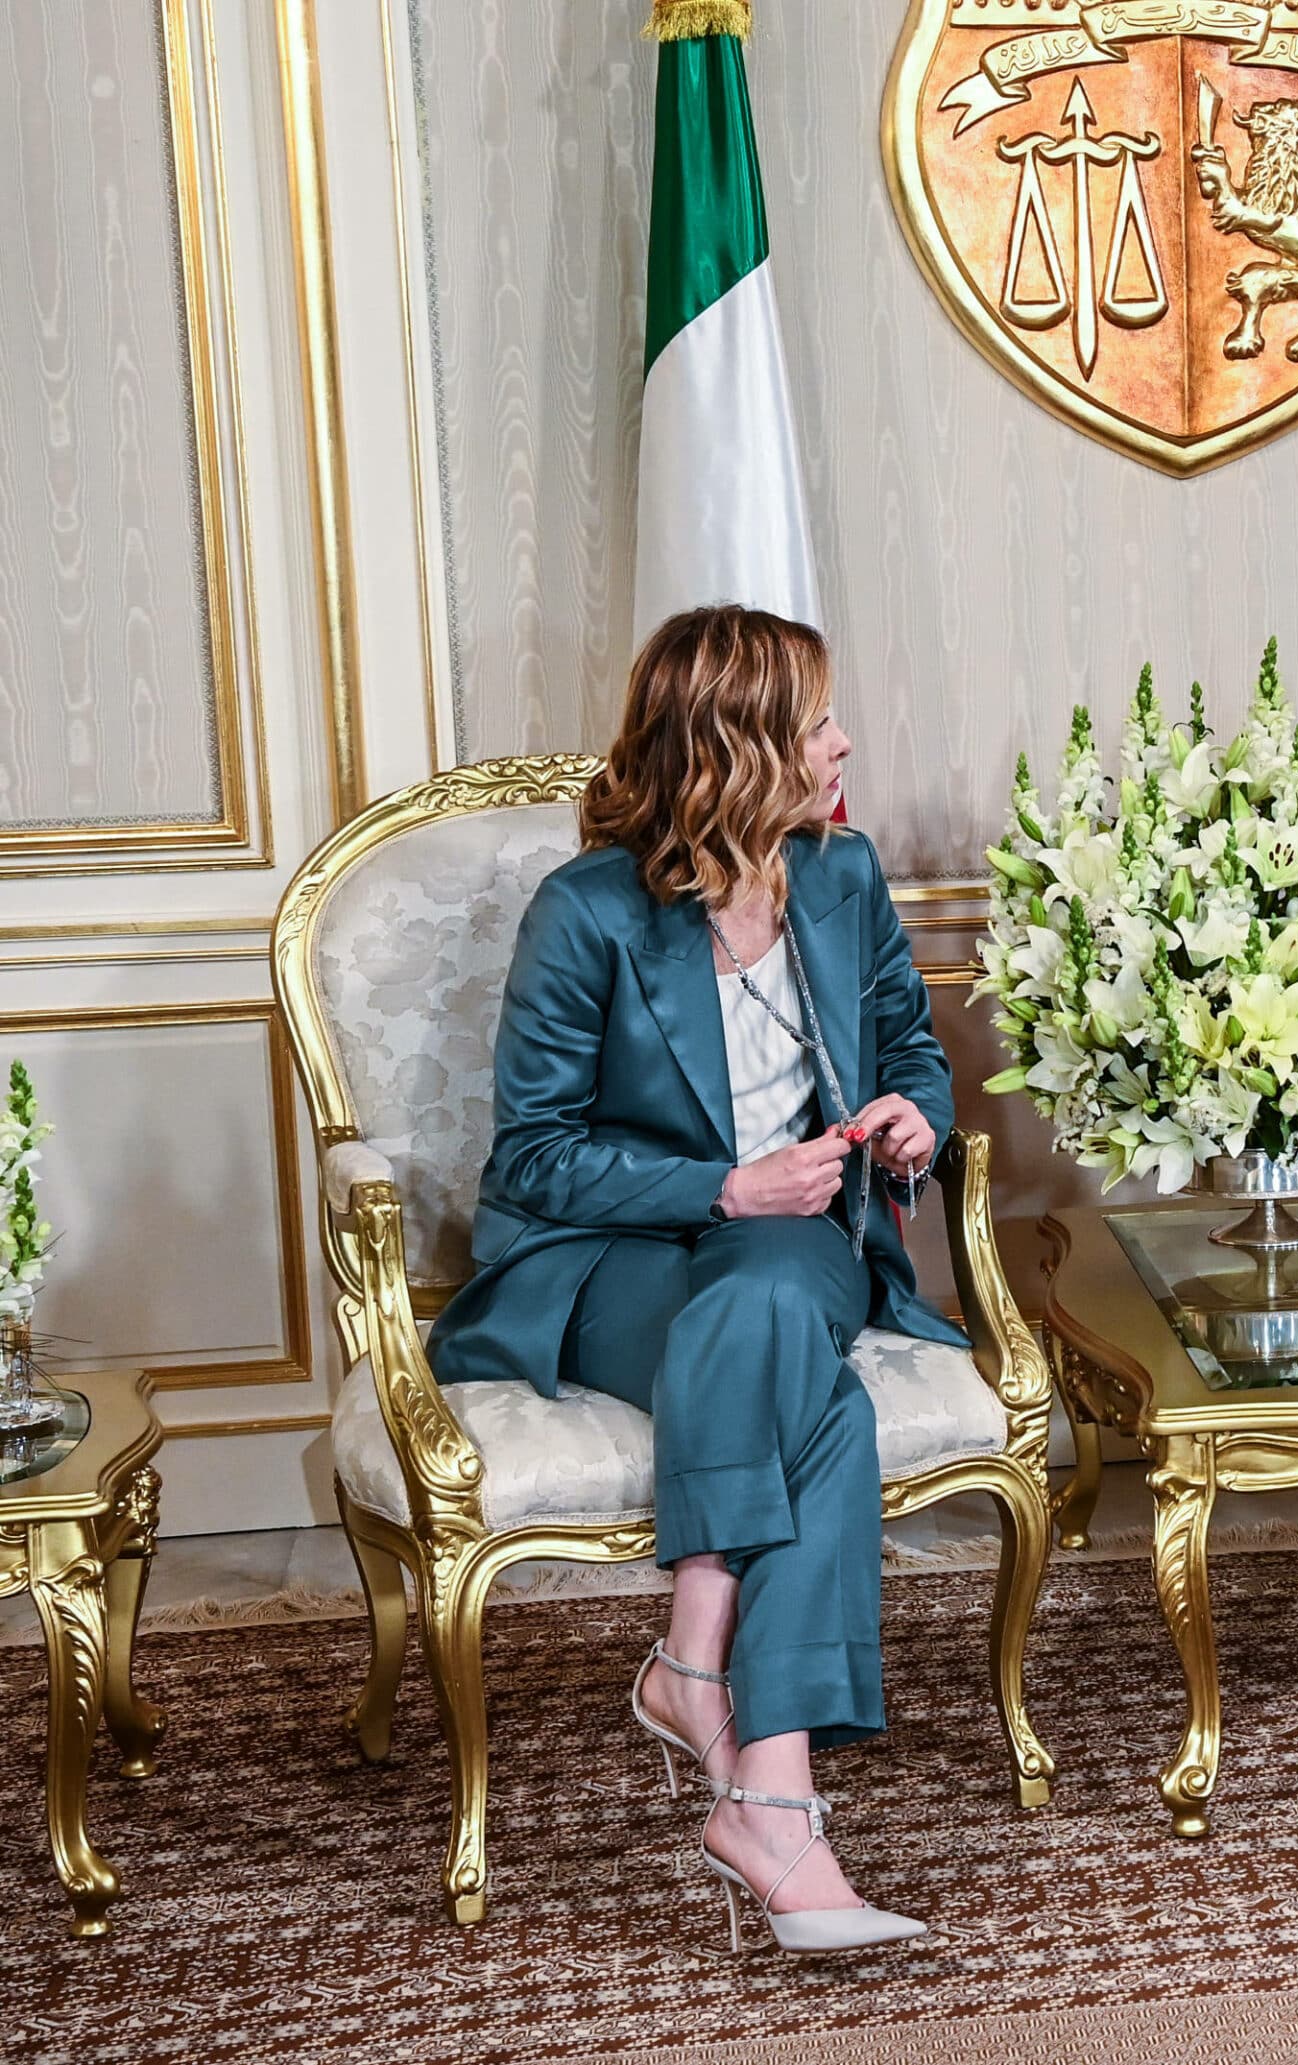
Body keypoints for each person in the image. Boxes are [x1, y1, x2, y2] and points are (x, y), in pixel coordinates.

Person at [426, 605, 962, 1953]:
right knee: (815, 1405)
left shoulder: (840, 875)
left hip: (794, 1247)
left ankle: (694, 1657)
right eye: (816, 720)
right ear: (739, 748)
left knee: (778, 1286)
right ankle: (771, 1797)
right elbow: (535, 1157)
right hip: (614, 1262)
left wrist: (913, 1120)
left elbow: (912, 1044)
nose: (842, 741)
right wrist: (721, 1186)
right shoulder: (591, 911)